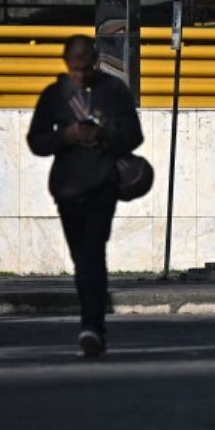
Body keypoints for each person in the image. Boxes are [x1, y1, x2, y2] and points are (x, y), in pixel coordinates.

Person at [27, 34, 143, 357]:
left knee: (93, 253)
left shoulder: (114, 91)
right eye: (75, 65)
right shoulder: (55, 96)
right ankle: (92, 323)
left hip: (102, 186)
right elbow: (36, 141)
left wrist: (105, 133)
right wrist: (66, 135)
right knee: (82, 260)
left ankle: (91, 326)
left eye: (86, 63)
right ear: (66, 62)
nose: (80, 71)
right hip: (67, 189)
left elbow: (135, 135)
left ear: (95, 60)